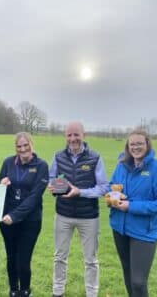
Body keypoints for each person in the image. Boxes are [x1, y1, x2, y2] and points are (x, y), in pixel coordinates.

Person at [49, 121, 109, 297]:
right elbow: (51, 177)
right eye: (69, 135)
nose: (73, 139)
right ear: (65, 137)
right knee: (59, 257)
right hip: (63, 214)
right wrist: (54, 186)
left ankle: (92, 293)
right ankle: (57, 292)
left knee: (91, 259)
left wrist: (80, 192)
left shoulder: (95, 157)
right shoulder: (58, 156)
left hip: (89, 216)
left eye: (76, 135)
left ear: (84, 135)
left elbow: (103, 187)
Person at [0, 132, 49, 297]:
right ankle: (13, 291)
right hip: (6, 221)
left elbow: (35, 197)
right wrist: (2, 185)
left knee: (23, 261)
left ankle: (25, 292)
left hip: (30, 221)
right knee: (11, 258)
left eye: (26, 145)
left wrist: (15, 216)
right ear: (16, 148)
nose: (23, 149)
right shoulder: (8, 162)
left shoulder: (41, 166)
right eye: (19, 146)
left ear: (31, 145)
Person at [109, 129, 157, 297]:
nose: (136, 147)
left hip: (143, 232)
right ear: (127, 147)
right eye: (132, 144)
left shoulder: (156, 168)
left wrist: (130, 206)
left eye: (140, 143)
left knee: (138, 281)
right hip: (120, 228)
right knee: (128, 276)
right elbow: (112, 185)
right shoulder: (121, 165)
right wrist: (113, 196)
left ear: (147, 145)